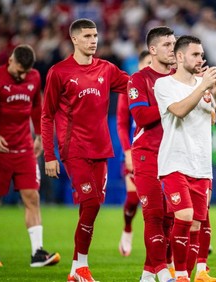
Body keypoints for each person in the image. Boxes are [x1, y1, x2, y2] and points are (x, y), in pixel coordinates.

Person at [41, 19, 129, 282]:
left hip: (101, 147)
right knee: (90, 202)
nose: (94, 40)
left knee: (92, 207)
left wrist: (167, 77)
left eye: (96, 35)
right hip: (74, 148)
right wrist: (49, 155)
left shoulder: (107, 69)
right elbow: (47, 116)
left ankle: (75, 270)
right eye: (88, 36)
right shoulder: (59, 72)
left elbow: (135, 87)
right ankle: (81, 266)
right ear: (75, 40)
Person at [154, 35, 216, 282]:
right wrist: (202, 87)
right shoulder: (164, 85)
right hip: (175, 162)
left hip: (201, 166)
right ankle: (180, 275)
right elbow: (179, 110)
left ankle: (191, 274)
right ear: (179, 57)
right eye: (195, 54)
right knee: (184, 216)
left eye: (202, 54)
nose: (201, 59)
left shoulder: (204, 84)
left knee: (197, 225)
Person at [0, 45, 60, 268]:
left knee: (32, 197)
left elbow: (37, 107)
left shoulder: (34, 77)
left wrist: (38, 135)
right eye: (19, 70)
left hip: (25, 148)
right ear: (10, 61)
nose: (23, 75)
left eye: (27, 71)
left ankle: (37, 252)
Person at [127, 27, 177, 282]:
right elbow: (141, 117)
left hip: (176, 154)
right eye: (167, 44)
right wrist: (171, 101)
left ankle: (148, 275)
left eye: (174, 43)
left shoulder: (181, 77)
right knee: (154, 214)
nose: (173, 48)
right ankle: (162, 271)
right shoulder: (138, 80)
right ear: (153, 50)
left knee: (170, 217)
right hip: (147, 153)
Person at [116, 50, 152, 257]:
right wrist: (127, 152)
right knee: (132, 198)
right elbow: (122, 123)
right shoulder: (130, 87)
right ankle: (128, 228)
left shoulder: (163, 85)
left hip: (160, 151)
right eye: (146, 62)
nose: (150, 66)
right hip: (135, 151)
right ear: (139, 65)